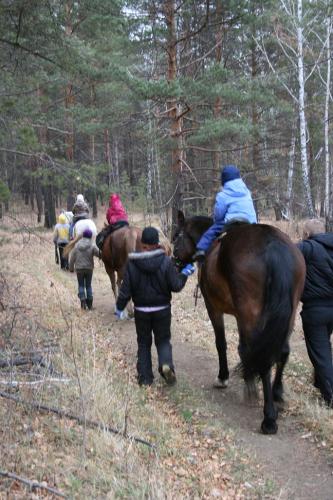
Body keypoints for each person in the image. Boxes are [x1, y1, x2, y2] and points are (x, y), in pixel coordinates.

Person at [115, 226, 195, 386]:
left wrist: (120, 306)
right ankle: (166, 365)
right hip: (162, 310)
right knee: (163, 340)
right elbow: (176, 285)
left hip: (141, 312)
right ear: (157, 244)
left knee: (144, 343)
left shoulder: (132, 263)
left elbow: (125, 289)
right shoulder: (165, 261)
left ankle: (145, 378)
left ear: (142, 244)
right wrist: (184, 274)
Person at [297, 219, 333, 408]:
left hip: (316, 310)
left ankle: (331, 397)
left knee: (321, 353)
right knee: (324, 346)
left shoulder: (307, 247)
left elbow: (287, 256)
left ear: (306, 234)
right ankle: (320, 383)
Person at [193, 165, 257, 262]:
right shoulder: (247, 191)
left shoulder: (223, 195)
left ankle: (201, 250)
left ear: (224, 180)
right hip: (251, 222)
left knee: (211, 231)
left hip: (233, 222)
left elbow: (219, 215)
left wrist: (217, 220)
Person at [69, 228, 100, 310]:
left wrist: (71, 268)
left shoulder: (76, 245)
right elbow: (99, 254)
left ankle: (82, 300)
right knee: (88, 285)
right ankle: (90, 305)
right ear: (90, 237)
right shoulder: (92, 245)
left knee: (81, 285)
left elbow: (72, 258)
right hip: (89, 268)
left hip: (79, 268)